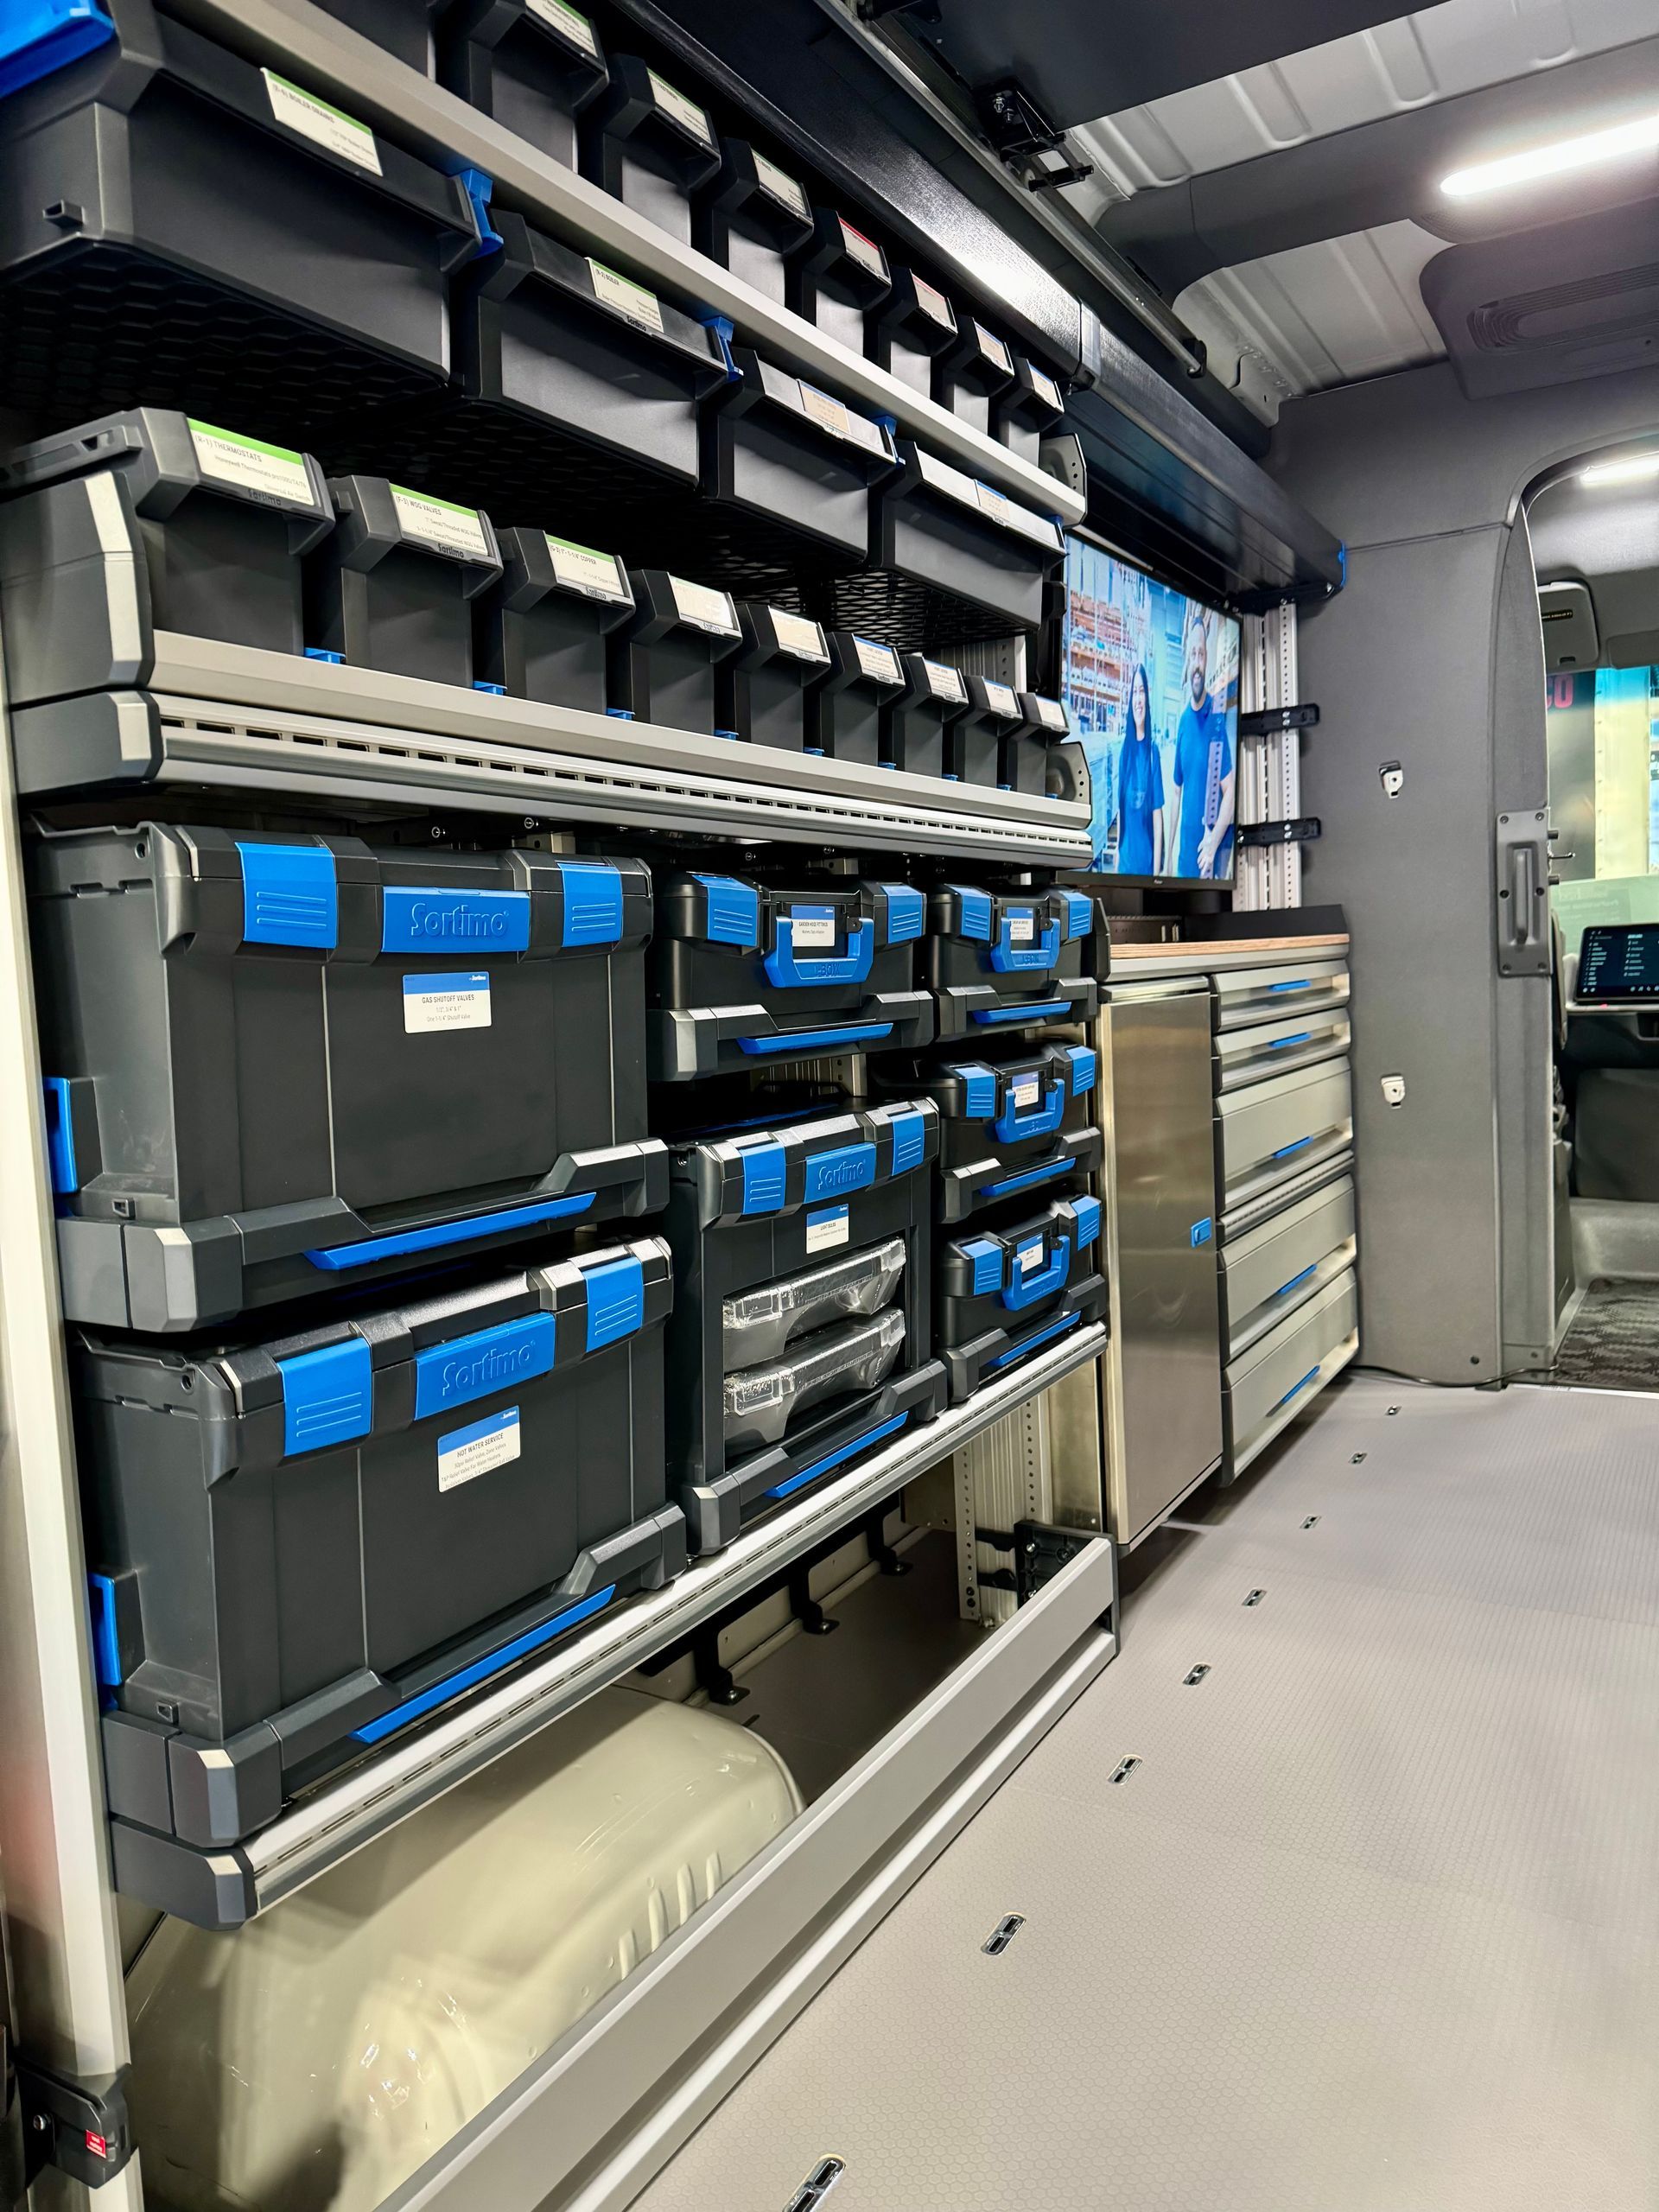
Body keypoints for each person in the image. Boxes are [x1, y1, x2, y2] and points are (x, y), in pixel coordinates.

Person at [1170, 607, 1235, 880]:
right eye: (1193, 653)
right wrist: (1165, 862)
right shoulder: (1183, 721)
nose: (1197, 661)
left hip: (1208, 861)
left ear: (1207, 660)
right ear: (1187, 659)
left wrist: (1213, 841)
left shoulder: (1216, 716)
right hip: (1184, 861)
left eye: (1202, 654)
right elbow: (1176, 791)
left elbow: (1230, 791)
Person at [1110, 661, 1163, 875]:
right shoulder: (1125, 751)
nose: (1138, 698)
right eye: (1134, 692)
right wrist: (1116, 854)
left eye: (1142, 691)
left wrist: (1157, 872)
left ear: (1147, 700)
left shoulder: (1153, 753)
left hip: (1146, 864)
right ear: (1130, 699)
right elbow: (1121, 809)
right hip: (1124, 863)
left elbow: (1157, 816)